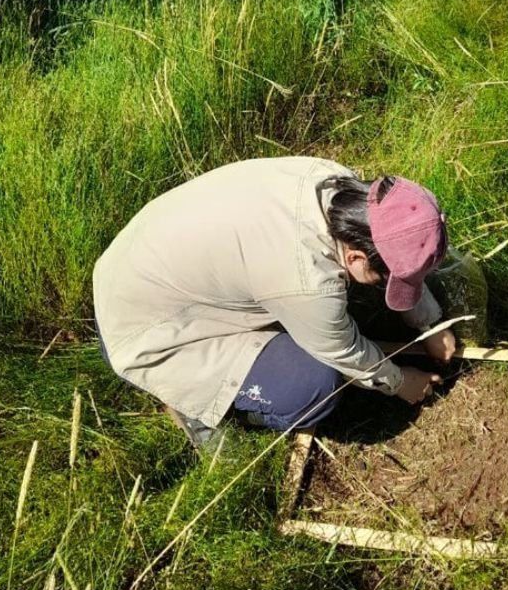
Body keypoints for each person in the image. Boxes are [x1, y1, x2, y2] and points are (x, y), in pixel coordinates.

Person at [93, 156, 456, 445]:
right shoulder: (309, 283)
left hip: (142, 259)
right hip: (146, 327)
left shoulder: (337, 185)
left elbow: (396, 248)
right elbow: (347, 354)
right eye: (385, 279)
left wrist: (429, 324)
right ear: (356, 258)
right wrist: (400, 381)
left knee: (308, 319)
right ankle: (197, 406)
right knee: (313, 386)